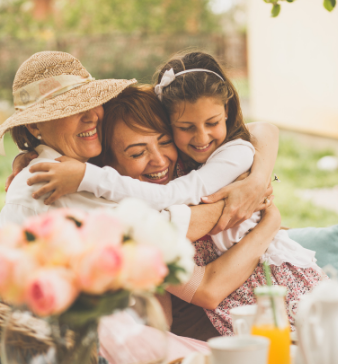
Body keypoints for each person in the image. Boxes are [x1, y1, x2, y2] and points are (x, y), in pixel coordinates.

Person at [20, 53, 323, 336]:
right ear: (108, 166)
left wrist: (256, 180)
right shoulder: (96, 197)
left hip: (279, 287)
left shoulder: (193, 158)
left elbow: (258, 131)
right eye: (137, 152)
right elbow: (205, 288)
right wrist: (264, 215)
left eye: (164, 141)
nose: (160, 160)